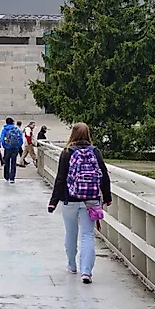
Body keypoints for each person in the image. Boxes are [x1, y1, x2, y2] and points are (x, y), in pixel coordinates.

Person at [48, 122, 112, 284]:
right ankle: (86, 272)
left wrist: (53, 201)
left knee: (71, 233)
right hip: (91, 200)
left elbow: (60, 178)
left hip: (70, 199)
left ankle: (72, 265)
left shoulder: (67, 152)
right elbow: (104, 175)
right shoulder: (95, 152)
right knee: (87, 234)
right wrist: (107, 196)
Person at [0, 118, 23, 183]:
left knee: (6, 162)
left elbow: (2, 139)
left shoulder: (5, 129)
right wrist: (18, 146)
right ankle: (12, 178)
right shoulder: (16, 129)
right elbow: (21, 138)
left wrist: (4, 146)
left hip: (7, 148)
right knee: (13, 163)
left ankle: (6, 176)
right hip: (15, 148)